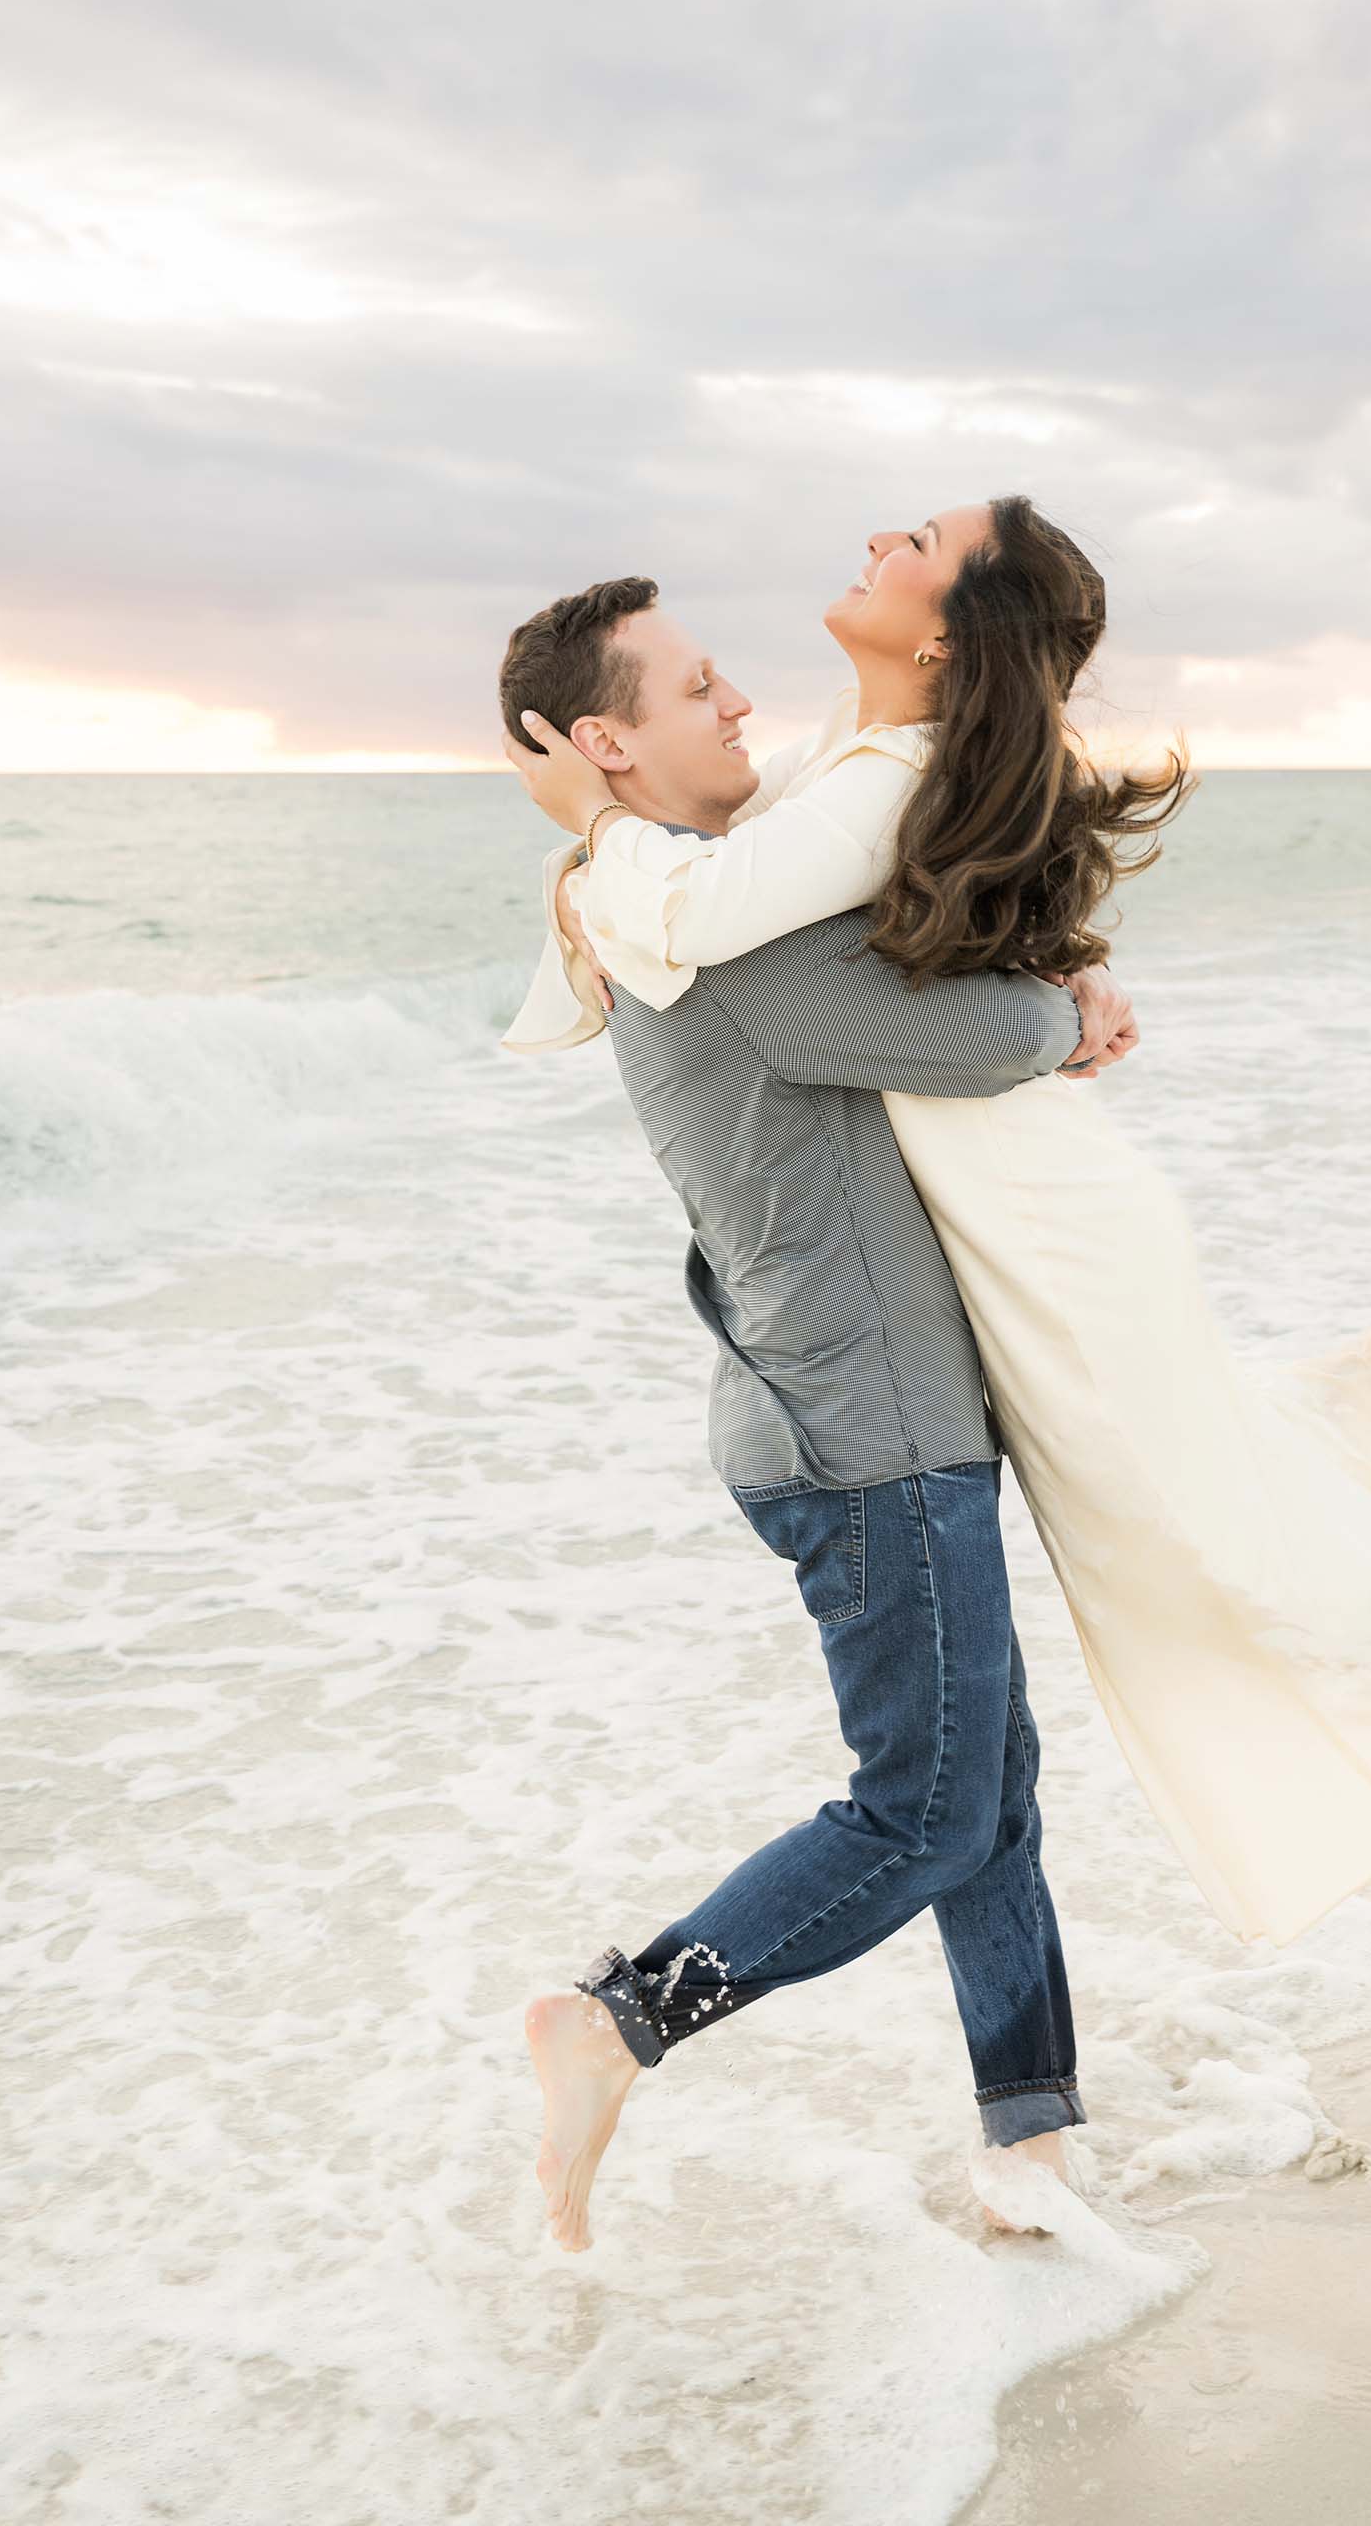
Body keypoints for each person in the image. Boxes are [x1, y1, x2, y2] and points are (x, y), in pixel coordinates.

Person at [497, 577, 1143, 2254]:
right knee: (926, 1807)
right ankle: (621, 2018)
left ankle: (1029, 2144)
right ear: (603, 744)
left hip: (871, 1405)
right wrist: (1066, 1006)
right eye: (697, 690)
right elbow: (945, 1035)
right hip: (862, 1428)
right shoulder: (717, 945)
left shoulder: (680, 901)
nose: (740, 709)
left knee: (986, 1790)